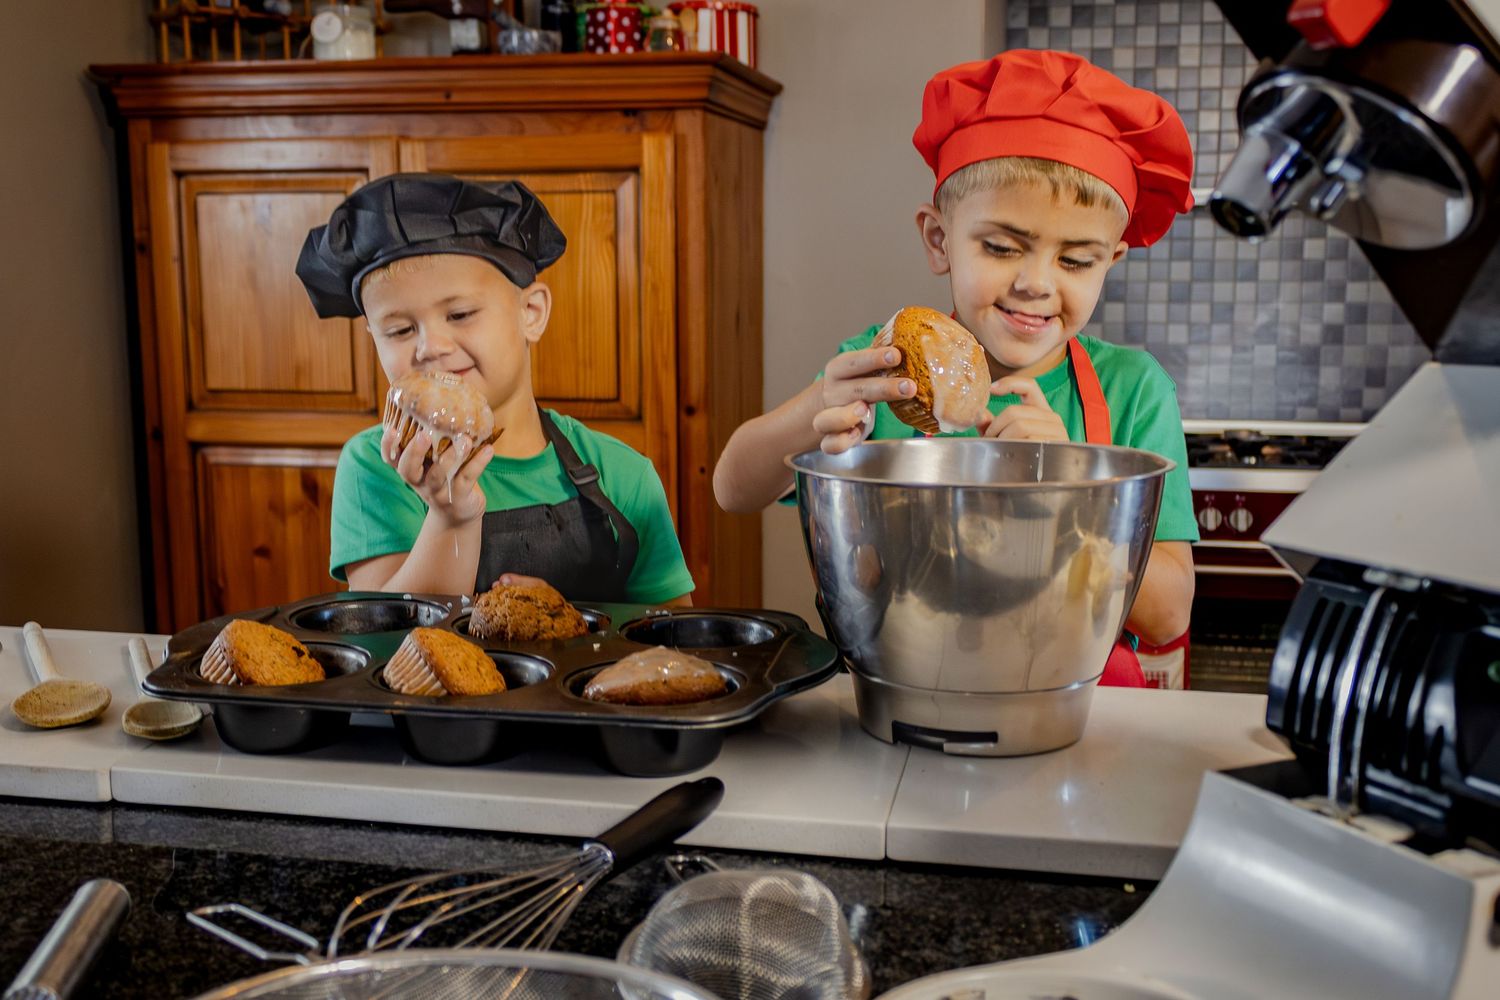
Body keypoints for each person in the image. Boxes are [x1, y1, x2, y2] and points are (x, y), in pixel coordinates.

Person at [712, 50, 1198, 685]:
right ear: (939, 240)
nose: (1035, 284)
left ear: (1111, 261)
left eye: (1076, 260)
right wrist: (814, 411)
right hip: (891, 697)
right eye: (1001, 247)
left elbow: (1169, 613)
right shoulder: (881, 370)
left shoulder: (1133, 389)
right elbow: (732, 488)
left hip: (1074, 718)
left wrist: (1073, 494)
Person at [297, 173, 694, 605]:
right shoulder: (375, 468)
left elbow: (667, 647)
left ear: (531, 313)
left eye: (461, 314)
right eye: (400, 329)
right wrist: (450, 518)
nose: (431, 348)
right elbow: (382, 644)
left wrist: (566, 623)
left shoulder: (623, 476)